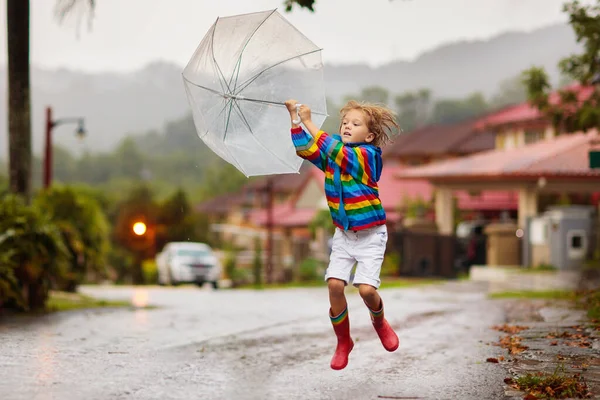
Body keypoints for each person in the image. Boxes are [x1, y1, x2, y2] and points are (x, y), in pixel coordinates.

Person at [285, 99, 400, 370]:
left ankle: (379, 321)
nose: (348, 127)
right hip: (345, 236)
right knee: (335, 285)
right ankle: (343, 341)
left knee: (366, 290)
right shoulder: (333, 156)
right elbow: (305, 149)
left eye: (355, 124)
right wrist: (294, 118)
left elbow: (336, 150)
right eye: (345, 123)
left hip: (371, 235)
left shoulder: (368, 157)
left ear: (369, 136)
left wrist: (310, 121)